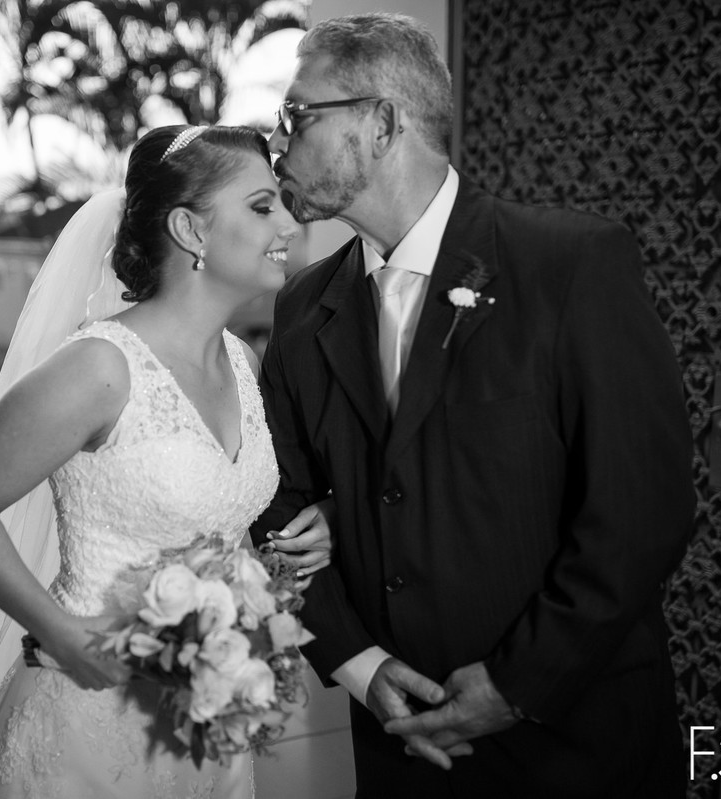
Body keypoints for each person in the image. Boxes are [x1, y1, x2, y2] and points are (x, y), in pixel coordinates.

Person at [0, 124, 329, 799]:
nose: (289, 220)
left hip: (203, 725)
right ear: (190, 229)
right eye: (261, 205)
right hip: (86, 722)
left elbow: (222, 524)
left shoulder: (244, 365)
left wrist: (276, 566)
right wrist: (60, 631)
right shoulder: (99, 366)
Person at [249, 13, 695, 799]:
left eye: (298, 115)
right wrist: (359, 664)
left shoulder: (570, 266)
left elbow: (642, 512)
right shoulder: (300, 311)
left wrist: (518, 683)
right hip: (401, 752)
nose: (280, 143)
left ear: (380, 122)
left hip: (575, 746)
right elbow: (276, 503)